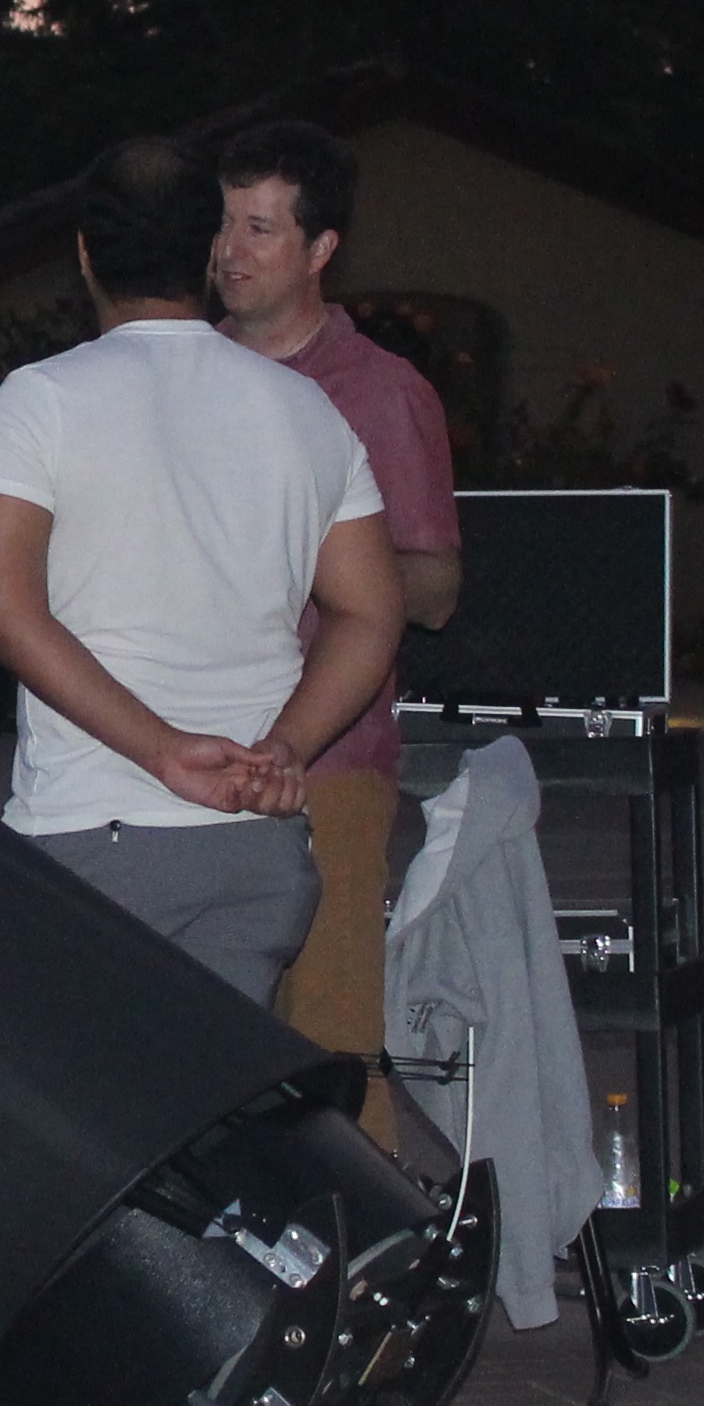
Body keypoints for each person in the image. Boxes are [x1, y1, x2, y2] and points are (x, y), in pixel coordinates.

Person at [0, 138, 402, 1002]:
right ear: (210, 250)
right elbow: (369, 612)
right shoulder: (305, 408)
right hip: (253, 845)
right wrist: (286, 747)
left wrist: (166, 751)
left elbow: (7, 617)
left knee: (85, 1118)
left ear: (86, 254)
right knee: (217, 1116)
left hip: (96, 834)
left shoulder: (39, 401)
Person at [209, 124, 463, 1136]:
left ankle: (363, 1267)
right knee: (203, 1047)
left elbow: (435, 587)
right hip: (180, 752)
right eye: (220, 224)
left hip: (331, 765)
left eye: (260, 228)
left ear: (321, 250)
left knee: (330, 1046)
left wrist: (300, 557)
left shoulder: (380, 393)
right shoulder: (175, 374)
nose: (230, 249)